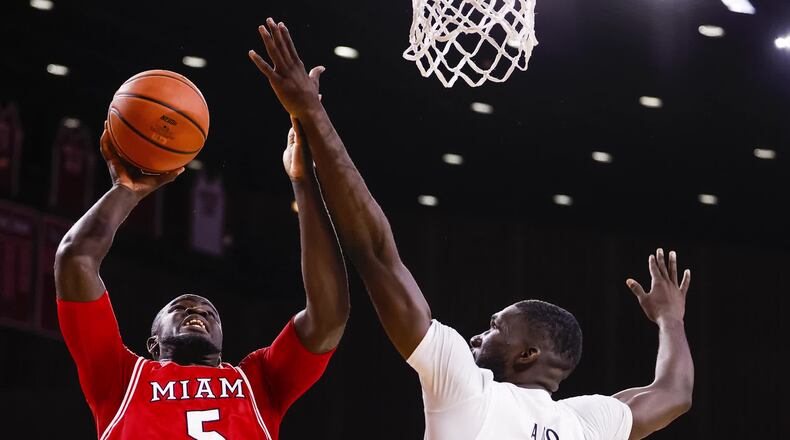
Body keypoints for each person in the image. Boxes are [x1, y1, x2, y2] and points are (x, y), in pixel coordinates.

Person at [249, 18, 694, 440]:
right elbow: (674, 394)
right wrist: (670, 319)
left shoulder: (469, 389)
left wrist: (311, 112)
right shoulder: (586, 425)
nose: (479, 335)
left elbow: (377, 254)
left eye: (496, 327)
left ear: (527, 355)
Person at [54, 121, 349, 439]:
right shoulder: (121, 378)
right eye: (179, 308)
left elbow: (329, 316)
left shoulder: (258, 381)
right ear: (153, 344)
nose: (197, 310)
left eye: (210, 313)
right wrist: (124, 192)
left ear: (222, 345)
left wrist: (304, 181)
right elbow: (75, 259)